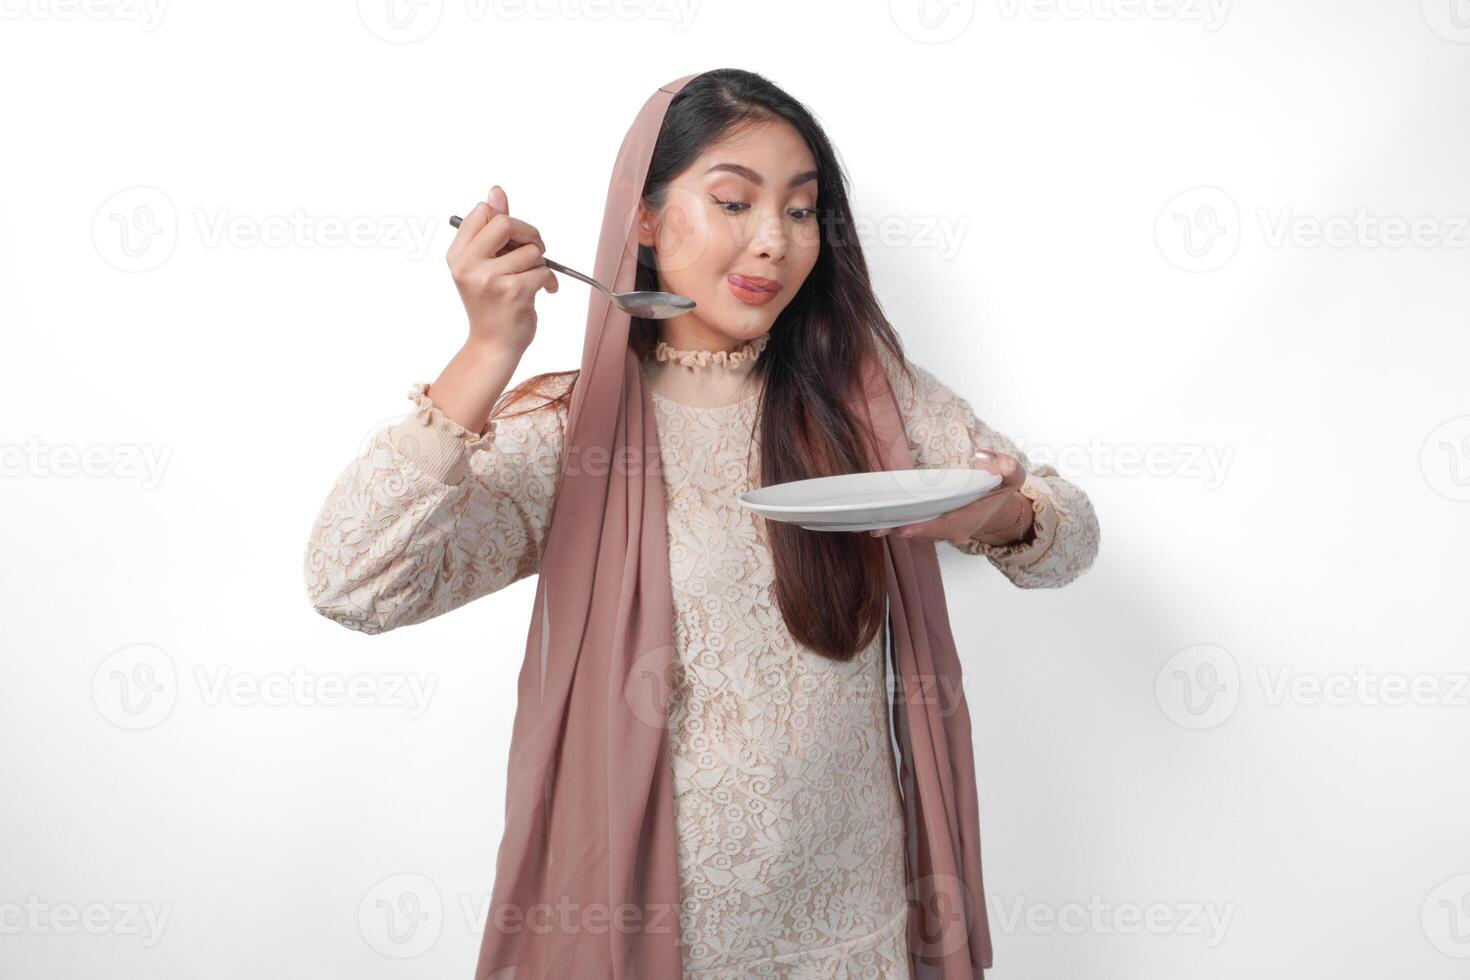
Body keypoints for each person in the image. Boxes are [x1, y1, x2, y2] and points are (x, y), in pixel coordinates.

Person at [304, 68, 1099, 979]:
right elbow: (352, 583)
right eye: (733, 201)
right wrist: (489, 350)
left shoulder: (865, 404)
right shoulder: (575, 435)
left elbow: (1069, 540)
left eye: (801, 212)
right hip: (658, 946)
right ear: (643, 220)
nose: (773, 242)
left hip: (855, 933)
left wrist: (1001, 513)